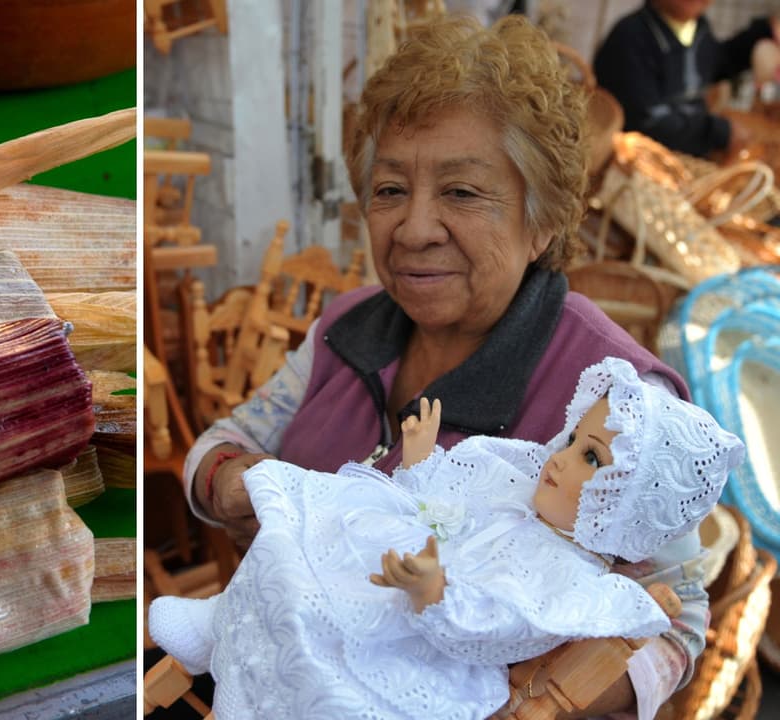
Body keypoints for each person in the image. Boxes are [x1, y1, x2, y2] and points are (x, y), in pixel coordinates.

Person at [182, 13, 707, 719]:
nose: (415, 228)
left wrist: (532, 701)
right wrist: (238, 488)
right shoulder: (348, 327)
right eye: (390, 190)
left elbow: (678, 621)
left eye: (461, 192)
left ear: (543, 220)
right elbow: (224, 444)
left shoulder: (616, 395)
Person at [152, 358, 744, 720]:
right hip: (394, 570)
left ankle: (251, 696)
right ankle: (217, 622)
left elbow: (502, 628)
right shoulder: (518, 480)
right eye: (572, 441)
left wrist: (438, 596)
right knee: (303, 533)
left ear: (624, 505)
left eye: (591, 459)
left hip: (422, 647)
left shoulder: (569, 578)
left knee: (322, 632)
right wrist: (420, 460)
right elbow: (441, 505)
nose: (561, 458)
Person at [593, 0, 780, 158]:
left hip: (688, 158)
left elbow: (717, 63)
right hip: (640, 163)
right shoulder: (630, 38)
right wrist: (720, 132)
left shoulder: (696, 29)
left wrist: (764, 31)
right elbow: (646, 124)